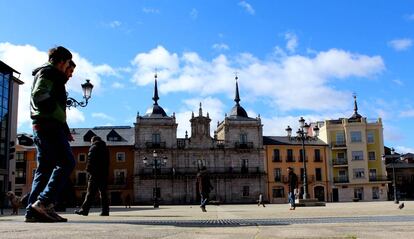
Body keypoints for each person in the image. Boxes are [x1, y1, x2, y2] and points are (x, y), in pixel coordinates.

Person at [25, 46, 75, 223]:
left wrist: (64, 126)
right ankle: (44, 202)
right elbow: (39, 95)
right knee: (67, 162)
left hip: (44, 125)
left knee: (44, 169)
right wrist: (55, 114)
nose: (69, 71)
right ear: (62, 61)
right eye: (68, 64)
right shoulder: (49, 73)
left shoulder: (49, 74)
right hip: (49, 125)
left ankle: (33, 211)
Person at [75, 136, 110, 216]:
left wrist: (88, 170)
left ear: (93, 141)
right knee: (103, 193)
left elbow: (91, 160)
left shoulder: (94, 147)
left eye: (91, 141)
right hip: (104, 174)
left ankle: (84, 210)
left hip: (95, 173)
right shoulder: (106, 148)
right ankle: (105, 211)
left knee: (90, 193)